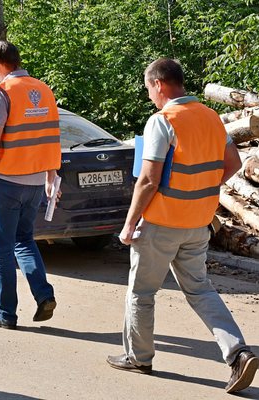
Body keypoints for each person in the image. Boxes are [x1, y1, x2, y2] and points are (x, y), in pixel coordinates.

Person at [108, 58, 257, 394]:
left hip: (161, 222)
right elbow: (232, 163)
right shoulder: (210, 117)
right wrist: (199, 192)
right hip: (198, 221)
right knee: (201, 290)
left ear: (159, 84)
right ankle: (238, 353)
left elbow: (148, 180)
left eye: (149, 90)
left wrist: (129, 224)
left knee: (141, 293)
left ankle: (139, 357)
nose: (150, 97)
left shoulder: (162, 121)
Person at [0, 40, 61, 329]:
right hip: (34, 181)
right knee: (24, 240)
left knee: (2, 249)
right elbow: (50, 136)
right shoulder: (43, 90)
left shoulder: (2, 93)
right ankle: (44, 294)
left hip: (4, 181)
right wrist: (49, 176)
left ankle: (6, 313)